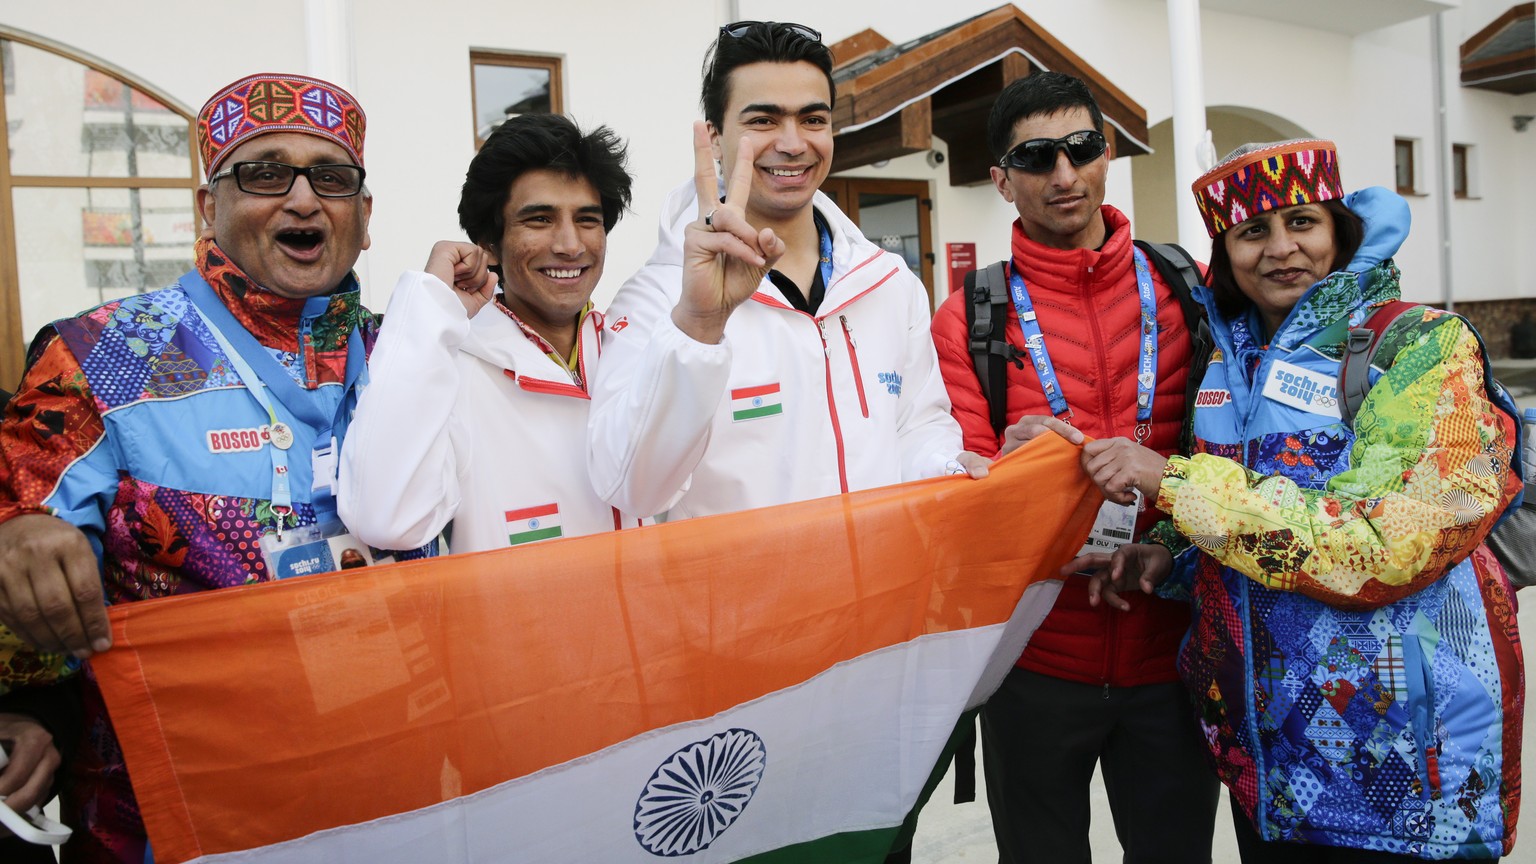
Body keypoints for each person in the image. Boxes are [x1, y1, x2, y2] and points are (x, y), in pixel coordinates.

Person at [1070, 139, 1523, 861]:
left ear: (1338, 228)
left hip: (1408, 778)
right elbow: (1237, 520)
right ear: (1226, 249)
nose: (1281, 249)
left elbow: (1391, 547)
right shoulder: (1226, 360)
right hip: (1271, 775)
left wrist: (1176, 484)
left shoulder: (1418, 346)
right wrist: (1170, 556)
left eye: (1302, 222)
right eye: (1253, 231)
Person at [0, 72, 409, 862]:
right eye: (263, 173)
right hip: (168, 816)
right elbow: (23, 519)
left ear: (363, 215)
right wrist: (17, 541)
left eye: (332, 178)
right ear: (206, 207)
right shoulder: (107, 352)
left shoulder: (411, 357)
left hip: (386, 796)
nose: (301, 199)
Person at [929, 71, 1218, 864]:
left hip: (1171, 650)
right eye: (1036, 157)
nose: (1064, 175)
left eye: (1082, 148)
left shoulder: (1184, 288)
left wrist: (1179, 552)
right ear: (1001, 180)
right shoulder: (970, 317)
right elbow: (951, 488)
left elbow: (1232, 456)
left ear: (1108, 153)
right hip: (1034, 665)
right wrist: (1003, 478)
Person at [588, 20, 983, 530]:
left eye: (813, 119)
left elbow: (916, 428)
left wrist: (949, 467)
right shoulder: (657, 299)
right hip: (745, 611)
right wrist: (699, 327)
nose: (794, 143)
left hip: (882, 602)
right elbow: (633, 489)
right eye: (764, 120)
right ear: (714, 136)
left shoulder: (889, 281)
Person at [339, 113, 641, 553]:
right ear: (489, 242)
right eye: (539, 219)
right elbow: (388, 520)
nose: (570, 245)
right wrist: (428, 304)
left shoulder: (631, 347)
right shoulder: (454, 368)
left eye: (588, 219)